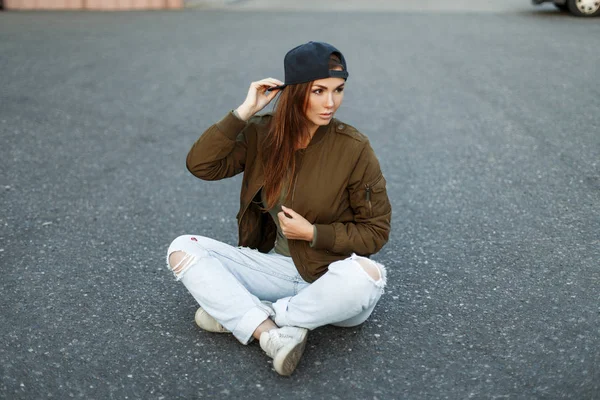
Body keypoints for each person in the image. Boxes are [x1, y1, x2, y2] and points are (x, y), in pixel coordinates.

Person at [166, 41, 392, 376]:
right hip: (277, 269)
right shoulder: (263, 134)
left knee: (368, 278)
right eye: (318, 91)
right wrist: (244, 111)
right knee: (182, 249)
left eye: (338, 90)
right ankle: (271, 334)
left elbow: (376, 231)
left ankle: (258, 315)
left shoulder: (353, 147)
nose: (331, 102)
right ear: (297, 91)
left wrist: (315, 233)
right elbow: (202, 165)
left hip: (330, 277)